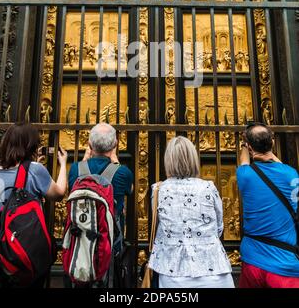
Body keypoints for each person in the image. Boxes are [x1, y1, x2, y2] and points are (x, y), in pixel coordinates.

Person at [148, 136, 234, 288]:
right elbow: (219, 226)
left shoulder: (159, 189)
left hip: (172, 269)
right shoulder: (208, 187)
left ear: (168, 161)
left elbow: (159, 226)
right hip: (213, 268)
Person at [0, 122, 68, 287]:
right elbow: (58, 193)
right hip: (23, 247)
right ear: (31, 145)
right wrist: (64, 165)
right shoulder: (35, 169)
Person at [237, 122, 299, 288]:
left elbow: (243, 161)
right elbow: (280, 165)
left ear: (249, 148)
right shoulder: (292, 174)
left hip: (252, 262)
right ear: (272, 142)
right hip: (284, 264)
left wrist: (243, 145)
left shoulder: (245, 175)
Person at [68, 123, 133, 233]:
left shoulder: (75, 169)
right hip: (109, 236)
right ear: (115, 144)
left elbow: (71, 189)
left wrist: (85, 159)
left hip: (81, 234)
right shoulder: (122, 172)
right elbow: (130, 189)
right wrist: (115, 162)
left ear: (89, 144)